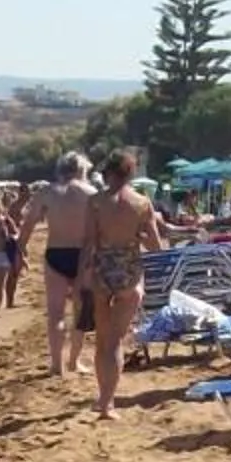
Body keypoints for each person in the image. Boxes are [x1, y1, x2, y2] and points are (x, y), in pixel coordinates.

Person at [79, 148, 165, 418]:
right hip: (129, 271)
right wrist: (138, 236)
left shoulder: (95, 203)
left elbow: (88, 243)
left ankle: (102, 400)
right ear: (130, 173)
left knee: (103, 341)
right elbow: (156, 247)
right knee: (116, 341)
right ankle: (108, 403)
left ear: (108, 174)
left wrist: (80, 277)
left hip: (102, 271)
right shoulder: (141, 203)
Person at [34, 153, 95, 379]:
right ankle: (74, 361)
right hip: (83, 255)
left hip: (56, 253)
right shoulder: (92, 194)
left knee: (56, 313)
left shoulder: (47, 192)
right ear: (82, 170)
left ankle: (56, 365)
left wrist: (19, 249)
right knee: (81, 311)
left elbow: (28, 223)